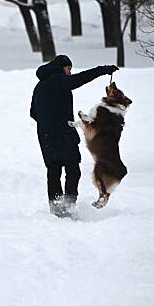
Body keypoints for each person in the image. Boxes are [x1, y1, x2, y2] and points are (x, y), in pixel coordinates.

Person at [30, 55, 118, 217]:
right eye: (69, 69)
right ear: (61, 67)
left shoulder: (39, 86)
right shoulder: (58, 79)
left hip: (46, 135)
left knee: (54, 170)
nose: (70, 73)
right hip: (63, 133)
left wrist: (48, 122)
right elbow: (80, 79)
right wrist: (103, 70)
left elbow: (33, 113)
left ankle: (56, 207)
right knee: (73, 168)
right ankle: (69, 204)